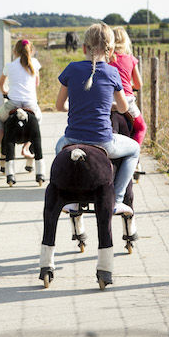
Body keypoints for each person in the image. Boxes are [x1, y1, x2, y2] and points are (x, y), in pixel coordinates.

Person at [55, 23, 140, 215]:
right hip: (103, 141)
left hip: (72, 139)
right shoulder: (112, 73)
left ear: (84, 47)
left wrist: (75, 107)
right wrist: (107, 105)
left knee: (59, 148)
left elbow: (59, 106)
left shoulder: (71, 69)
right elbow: (123, 107)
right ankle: (117, 199)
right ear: (110, 50)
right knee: (134, 149)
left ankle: (69, 198)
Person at [0, 39, 42, 160]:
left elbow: (0, 83)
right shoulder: (35, 63)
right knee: (37, 121)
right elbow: (37, 83)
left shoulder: (9, 66)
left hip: (13, 104)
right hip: (30, 104)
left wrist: (5, 92)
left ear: (14, 51)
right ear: (31, 51)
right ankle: (26, 148)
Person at [108, 27, 146, 145]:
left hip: (108, 100)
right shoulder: (130, 59)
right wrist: (131, 86)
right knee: (141, 127)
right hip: (126, 100)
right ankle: (134, 154)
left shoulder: (107, 59)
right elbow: (139, 84)